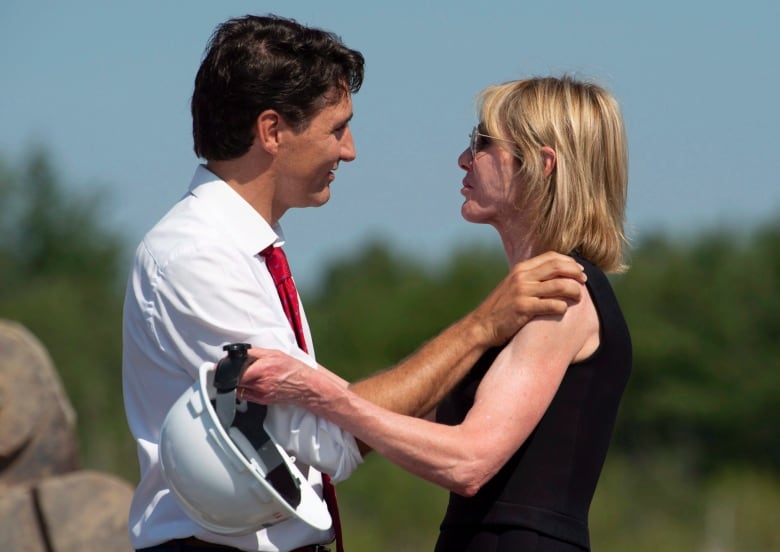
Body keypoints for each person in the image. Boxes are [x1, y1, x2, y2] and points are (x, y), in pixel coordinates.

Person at [122, 14, 588, 552]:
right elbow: (326, 439)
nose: (350, 150)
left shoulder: (242, 250)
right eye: (336, 128)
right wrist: (483, 326)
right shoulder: (197, 254)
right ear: (272, 131)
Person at [238, 75, 632, 551]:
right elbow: (402, 418)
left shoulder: (562, 296)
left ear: (540, 165)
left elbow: (468, 462)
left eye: (482, 141)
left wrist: (318, 392)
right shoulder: (528, 300)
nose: (464, 159)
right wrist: (306, 398)